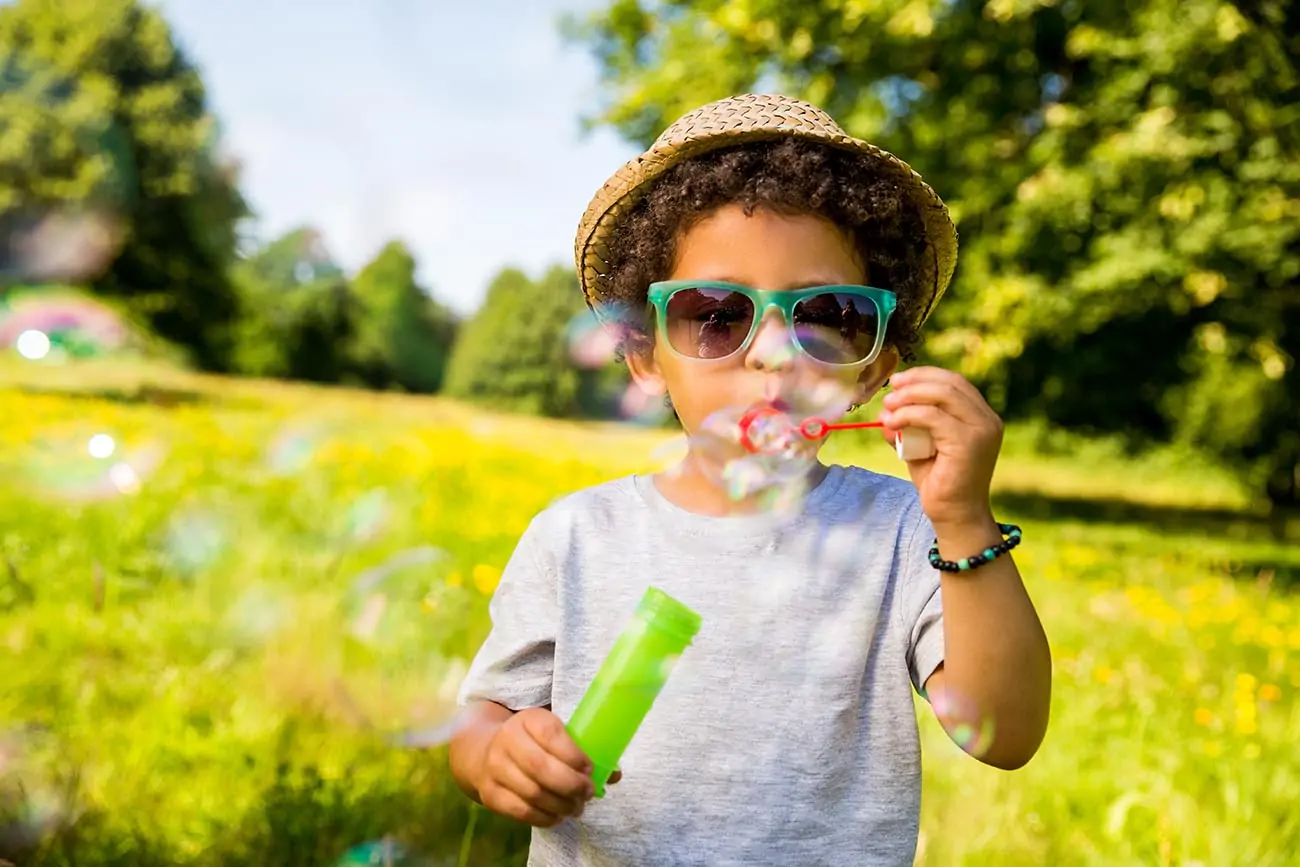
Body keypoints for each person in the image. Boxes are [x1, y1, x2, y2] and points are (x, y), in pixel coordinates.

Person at [447, 93, 1052, 866]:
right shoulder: (577, 537)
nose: (772, 353)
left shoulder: (905, 531)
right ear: (642, 355)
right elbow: (484, 716)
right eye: (717, 314)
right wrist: (496, 753)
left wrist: (965, 519)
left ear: (875, 371)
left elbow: (1005, 733)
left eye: (826, 314)